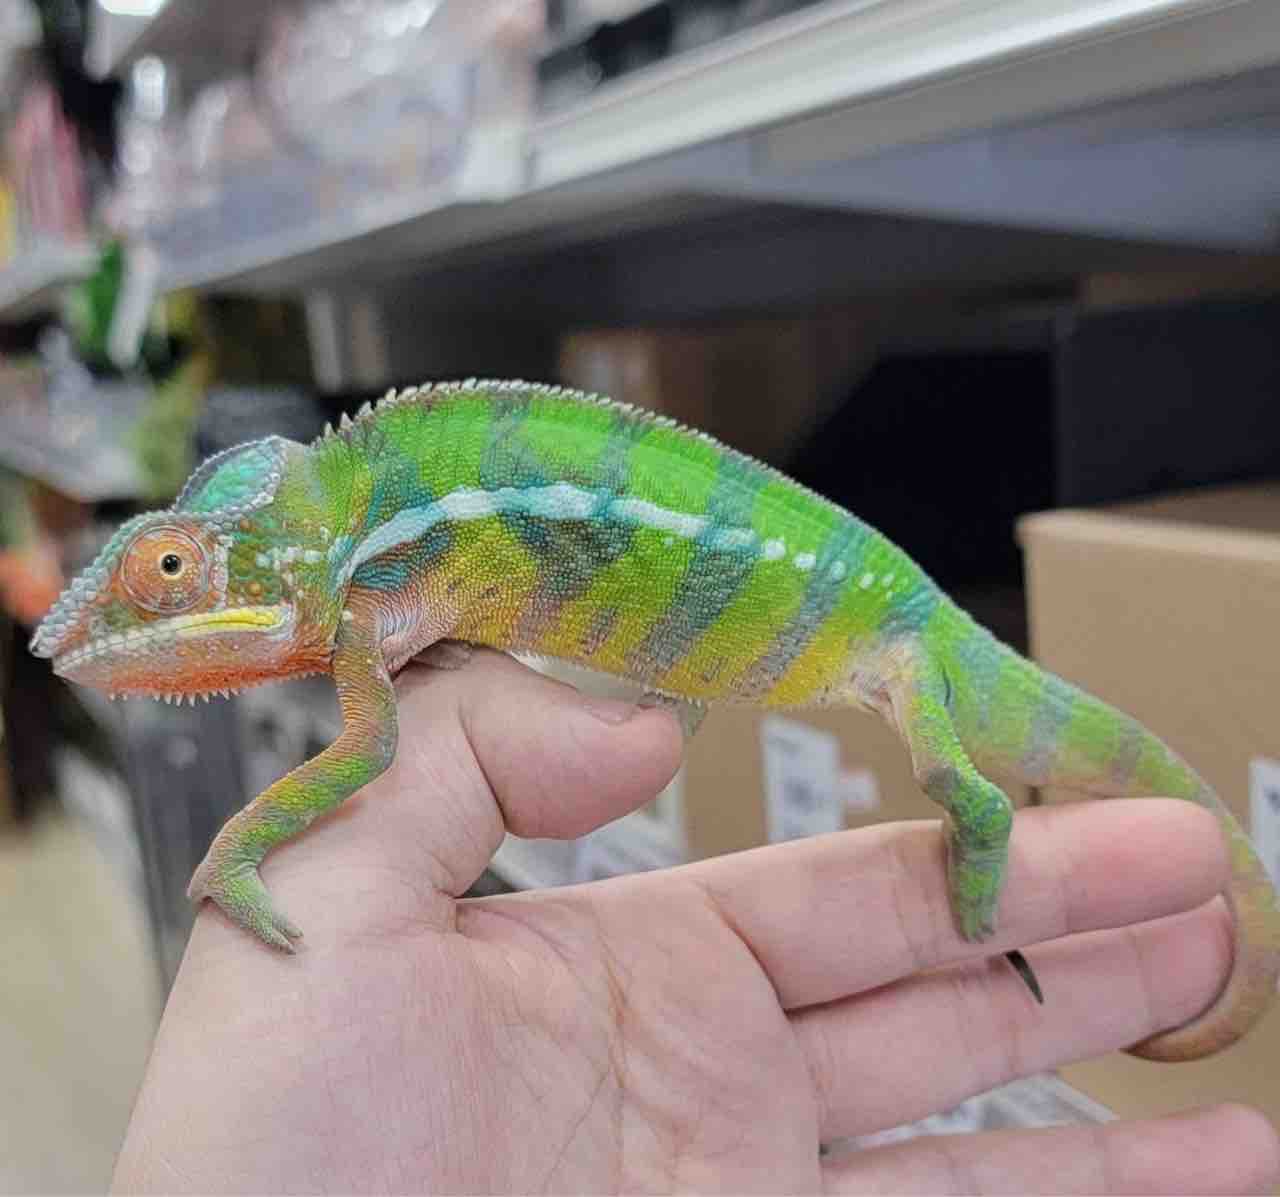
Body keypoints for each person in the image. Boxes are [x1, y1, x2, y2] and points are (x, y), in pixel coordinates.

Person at [112, 651, 1279, 1194]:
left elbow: (372, 746)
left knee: (951, 775)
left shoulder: (369, 584)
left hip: (878, 631)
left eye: (173, 577)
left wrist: (245, 843)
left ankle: (983, 827)